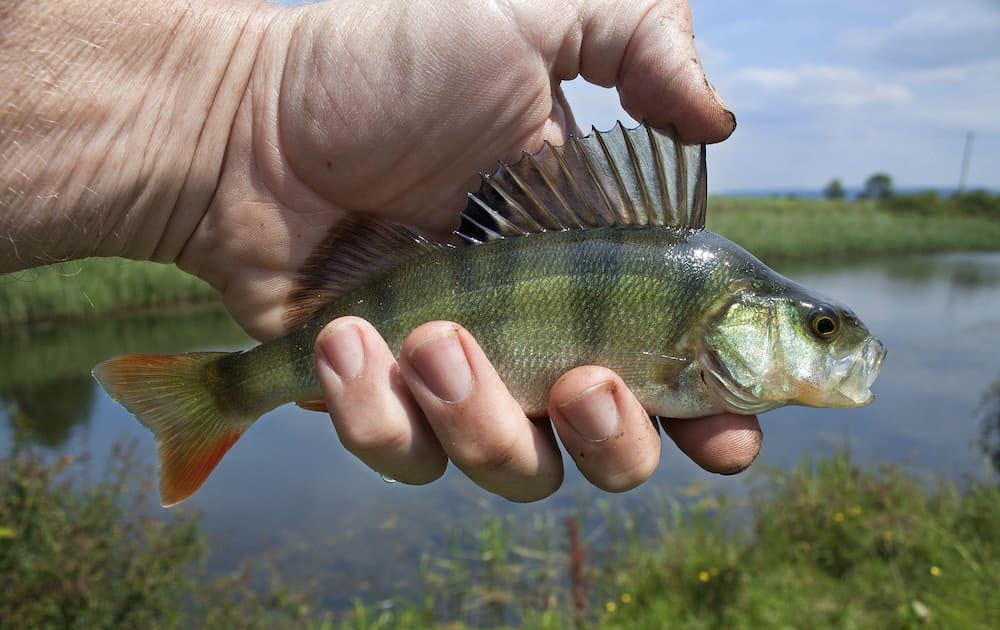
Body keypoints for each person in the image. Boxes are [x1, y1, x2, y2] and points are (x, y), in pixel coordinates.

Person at [1, 0, 760, 502]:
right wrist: (236, 108)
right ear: (742, 318)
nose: (836, 340)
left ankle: (223, 395)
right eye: (820, 329)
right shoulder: (699, 284)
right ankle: (220, 393)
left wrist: (232, 109)